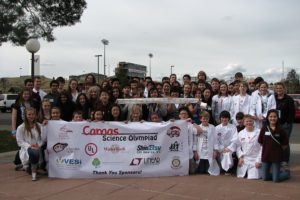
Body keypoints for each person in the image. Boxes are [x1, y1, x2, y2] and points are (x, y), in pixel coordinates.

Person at [258, 109, 290, 182]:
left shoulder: (281, 129)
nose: (272, 118)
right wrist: (268, 148)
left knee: (276, 180)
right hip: (266, 156)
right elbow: (260, 142)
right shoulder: (264, 129)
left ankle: (286, 173)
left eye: (275, 117)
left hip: (276, 157)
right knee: (264, 178)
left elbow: (285, 144)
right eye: (271, 116)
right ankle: (276, 173)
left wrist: (277, 150)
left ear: (277, 118)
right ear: (267, 118)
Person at [16, 107, 46, 181]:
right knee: (34, 152)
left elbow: (42, 139)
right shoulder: (21, 127)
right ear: (26, 115)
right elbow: (20, 141)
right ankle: (33, 172)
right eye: (29, 114)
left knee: (40, 162)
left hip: (37, 147)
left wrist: (38, 145)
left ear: (35, 115)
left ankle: (29, 167)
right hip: (27, 148)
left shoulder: (39, 126)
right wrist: (30, 146)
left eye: (33, 114)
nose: (31, 116)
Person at [274, 82, 295, 166]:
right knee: (276, 141)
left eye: (280, 88)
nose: (279, 90)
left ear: (284, 89)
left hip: (286, 124)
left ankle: (285, 159)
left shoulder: (289, 99)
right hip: (275, 124)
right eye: (277, 88)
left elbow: (291, 113)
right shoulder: (273, 98)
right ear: (275, 89)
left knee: (284, 142)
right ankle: (278, 158)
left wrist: (287, 122)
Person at [235, 115, 262, 179]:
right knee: (241, 176)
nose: (249, 123)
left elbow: (262, 147)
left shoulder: (259, 132)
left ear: (253, 122)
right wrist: (240, 157)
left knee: (253, 177)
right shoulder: (241, 133)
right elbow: (238, 146)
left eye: (250, 121)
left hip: (255, 159)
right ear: (244, 123)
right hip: (245, 159)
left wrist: (259, 160)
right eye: (247, 121)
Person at [195, 111, 220, 176]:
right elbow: (195, 140)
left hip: (209, 150)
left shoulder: (212, 127)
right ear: (201, 119)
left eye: (207, 119)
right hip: (200, 150)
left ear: (209, 119)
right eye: (203, 119)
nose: (205, 120)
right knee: (201, 171)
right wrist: (195, 152)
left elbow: (215, 140)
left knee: (208, 171)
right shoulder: (197, 127)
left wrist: (215, 151)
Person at [215, 111, 238, 175]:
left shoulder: (233, 127)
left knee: (228, 155)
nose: (224, 119)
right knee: (222, 159)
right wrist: (221, 148)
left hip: (230, 148)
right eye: (222, 118)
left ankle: (228, 169)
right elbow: (215, 140)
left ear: (229, 118)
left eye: (226, 118)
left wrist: (229, 148)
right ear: (220, 118)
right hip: (220, 149)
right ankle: (224, 169)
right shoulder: (217, 128)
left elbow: (235, 139)